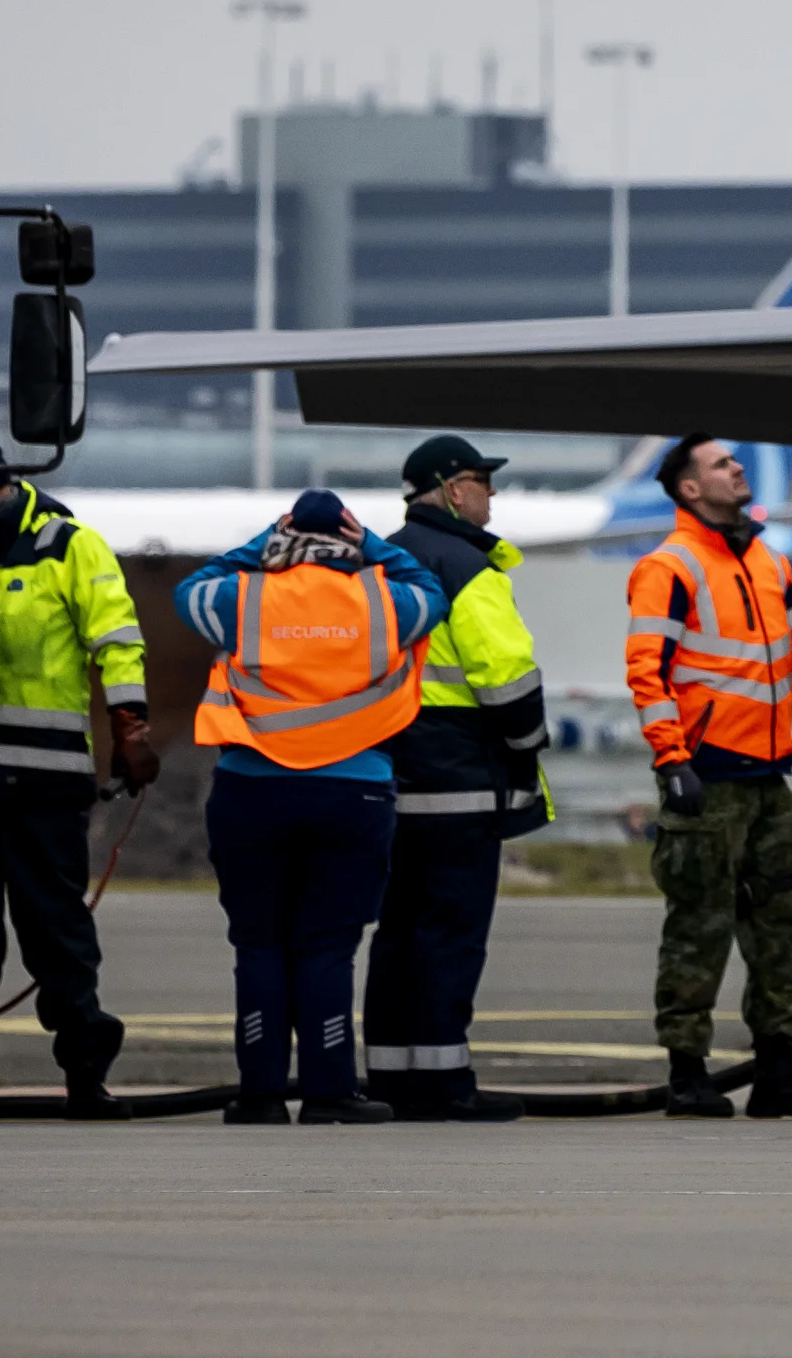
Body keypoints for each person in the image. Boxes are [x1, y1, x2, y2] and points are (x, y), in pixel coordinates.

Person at [178, 490, 443, 1126]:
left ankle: (261, 1095)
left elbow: (191, 587)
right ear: (347, 539)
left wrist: (266, 540)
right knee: (327, 948)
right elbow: (431, 588)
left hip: (252, 791)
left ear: (286, 534)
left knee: (259, 946)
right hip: (353, 793)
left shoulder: (242, 599)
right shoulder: (388, 602)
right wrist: (371, 544)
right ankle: (328, 1093)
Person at [0, 426, 152, 1118]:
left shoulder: (69, 547)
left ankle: (86, 1076)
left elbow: (118, 638)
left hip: (44, 787)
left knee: (56, 938)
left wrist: (129, 729)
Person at [627, 435, 792, 1119]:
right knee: (698, 925)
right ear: (690, 489)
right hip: (708, 775)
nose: (737, 468)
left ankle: (777, 1072)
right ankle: (688, 1075)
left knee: (777, 925)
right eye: (722, 463)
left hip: (768, 777)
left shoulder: (769, 563)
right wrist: (673, 760)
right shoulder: (668, 567)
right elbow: (648, 672)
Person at [363, 434, 553, 1121]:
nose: (490, 494)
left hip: (383, 780)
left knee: (397, 932)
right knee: (450, 933)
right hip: (461, 781)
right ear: (450, 490)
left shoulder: (374, 563)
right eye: (481, 481)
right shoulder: (466, 567)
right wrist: (530, 748)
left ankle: (389, 1078)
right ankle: (444, 1083)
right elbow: (507, 684)